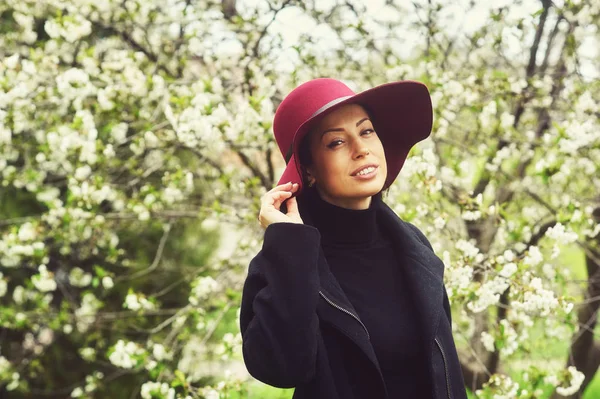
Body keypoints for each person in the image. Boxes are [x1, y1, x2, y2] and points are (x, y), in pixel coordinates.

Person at [239, 78, 467, 398]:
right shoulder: (286, 261)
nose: (361, 150)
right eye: (336, 142)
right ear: (307, 170)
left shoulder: (414, 246)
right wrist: (290, 245)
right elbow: (281, 368)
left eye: (366, 131)